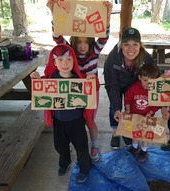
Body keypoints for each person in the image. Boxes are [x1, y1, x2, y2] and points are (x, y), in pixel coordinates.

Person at [46, 0, 113, 162]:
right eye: (79, 42)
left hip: (91, 92)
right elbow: (57, 37)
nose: (83, 46)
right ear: (74, 42)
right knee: (75, 122)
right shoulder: (69, 52)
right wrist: (53, 12)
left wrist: (107, 16)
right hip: (71, 92)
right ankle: (73, 146)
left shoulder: (94, 53)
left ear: (91, 43)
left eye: (86, 42)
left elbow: (103, 37)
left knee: (90, 120)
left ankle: (94, 145)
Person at [30, 44, 95, 183]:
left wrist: (91, 79)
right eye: (60, 60)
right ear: (54, 62)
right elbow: (39, 90)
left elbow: (92, 89)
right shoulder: (49, 78)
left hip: (77, 121)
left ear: (74, 61)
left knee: (81, 147)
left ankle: (85, 168)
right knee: (60, 145)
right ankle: (64, 163)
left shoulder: (80, 79)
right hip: (59, 121)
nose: (64, 63)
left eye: (68, 59)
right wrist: (35, 78)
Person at [104, 27, 161, 150]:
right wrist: (117, 108)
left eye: (135, 44)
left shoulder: (145, 57)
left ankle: (127, 131)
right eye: (127, 44)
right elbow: (111, 85)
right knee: (114, 108)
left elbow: (156, 74)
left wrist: (164, 105)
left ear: (140, 45)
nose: (131, 49)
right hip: (117, 84)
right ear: (121, 45)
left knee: (132, 108)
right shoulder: (112, 59)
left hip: (135, 84)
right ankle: (116, 133)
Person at [124, 64, 170, 163]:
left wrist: (150, 112)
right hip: (135, 116)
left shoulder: (154, 90)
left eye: (150, 81)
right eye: (145, 80)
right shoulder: (134, 88)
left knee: (145, 134)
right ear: (139, 77)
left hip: (148, 117)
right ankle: (134, 147)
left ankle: (144, 151)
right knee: (135, 133)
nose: (147, 83)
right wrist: (127, 110)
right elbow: (127, 98)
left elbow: (157, 104)